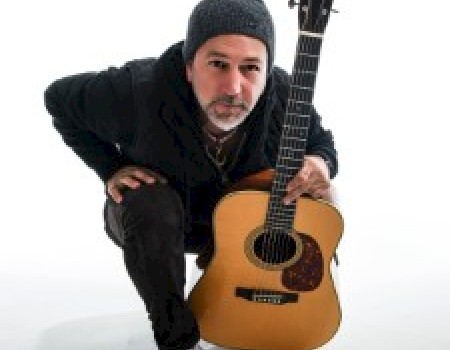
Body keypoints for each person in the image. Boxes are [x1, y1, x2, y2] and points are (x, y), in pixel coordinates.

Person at [44, 0, 338, 349]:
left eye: (250, 68)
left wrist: (320, 163)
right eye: (218, 64)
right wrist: (110, 168)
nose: (233, 87)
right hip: (161, 222)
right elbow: (57, 100)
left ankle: (254, 288)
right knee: (150, 204)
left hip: (246, 230)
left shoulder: (284, 95)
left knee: (316, 198)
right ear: (188, 66)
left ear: (266, 70)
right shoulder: (135, 91)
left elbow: (320, 140)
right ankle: (176, 337)